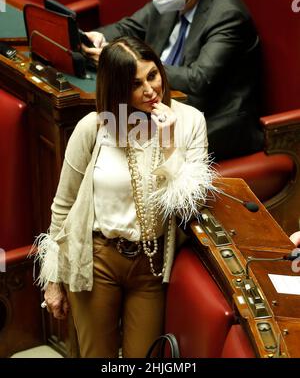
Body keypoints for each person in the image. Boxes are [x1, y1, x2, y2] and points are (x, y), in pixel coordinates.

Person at [34, 36, 215, 358]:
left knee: (144, 358)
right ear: (117, 88)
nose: (150, 90)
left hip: (152, 264)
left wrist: (170, 143)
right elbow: (63, 206)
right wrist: (54, 280)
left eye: (152, 75)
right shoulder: (94, 127)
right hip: (97, 258)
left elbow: (191, 204)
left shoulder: (190, 121)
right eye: (135, 83)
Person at [83, 0, 263, 161]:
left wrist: (138, 66)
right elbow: (129, 27)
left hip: (214, 119)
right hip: (159, 99)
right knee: (97, 124)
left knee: (127, 144)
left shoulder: (227, 15)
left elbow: (198, 79)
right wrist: (96, 36)